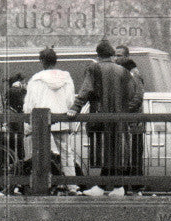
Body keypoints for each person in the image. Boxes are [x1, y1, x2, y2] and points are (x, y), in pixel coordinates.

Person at [71, 39, 141, 194]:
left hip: (100, 117)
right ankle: (117, 187)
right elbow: (132, 92)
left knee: (103, 152)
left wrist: (75, 108)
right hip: (120, 118)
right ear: (111, 54)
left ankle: (104, 186)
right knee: (117, 151)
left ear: (98, 54)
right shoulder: (123, 71)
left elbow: (86, 90)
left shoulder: (93, 69)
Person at [24, 47, 79, 193]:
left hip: (41, 123)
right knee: (67, 153)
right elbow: (70, 101)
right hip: (61, 120)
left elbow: (29, 104)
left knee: (41, 154)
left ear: (41, 61)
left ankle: (43, 184)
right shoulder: (66, 78)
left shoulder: (35, 79)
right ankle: (71, 184)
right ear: (55, 61)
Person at [116, 48, 146, 191]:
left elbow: (138, 96)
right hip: (130, 121)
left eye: (119, 55)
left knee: (134, 155)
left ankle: (135, 187)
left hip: (134, 122)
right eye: (115, 55)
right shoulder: (124, 72)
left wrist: (124, 110)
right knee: (127, 155)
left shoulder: (134, 73)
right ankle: (129, 186)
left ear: (127, 56)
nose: (116, 58)